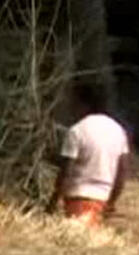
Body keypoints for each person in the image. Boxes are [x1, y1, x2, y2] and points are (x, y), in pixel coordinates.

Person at [46, 82, 131, 227]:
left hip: (78, 197)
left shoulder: (77, 131)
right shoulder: (118, 131)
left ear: (83, 104)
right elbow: (122, 171)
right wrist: (111, 202)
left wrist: (52, 203)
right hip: (103, 199)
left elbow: (66, 171)